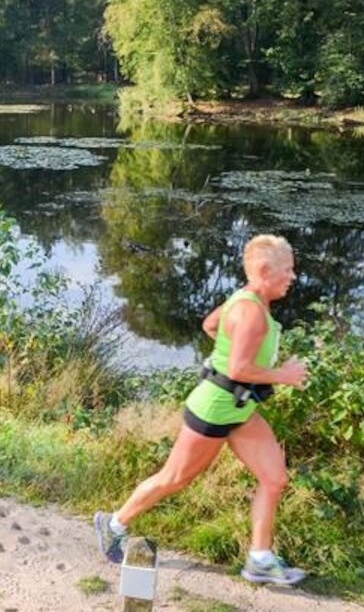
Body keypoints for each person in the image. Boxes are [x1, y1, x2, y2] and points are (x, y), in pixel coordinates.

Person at [93, 234, 309, 585]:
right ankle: (113, 524)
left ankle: (260, 559)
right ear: (264, 270)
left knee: (274, 478)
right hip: (213, 409)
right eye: (288, 270)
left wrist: (232, 350)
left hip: (238, 408)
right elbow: (238, 369)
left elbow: (211, 325)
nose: (293, 276)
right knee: (175, 478)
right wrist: (281, 374)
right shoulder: (251, 312)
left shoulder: (246, 300)